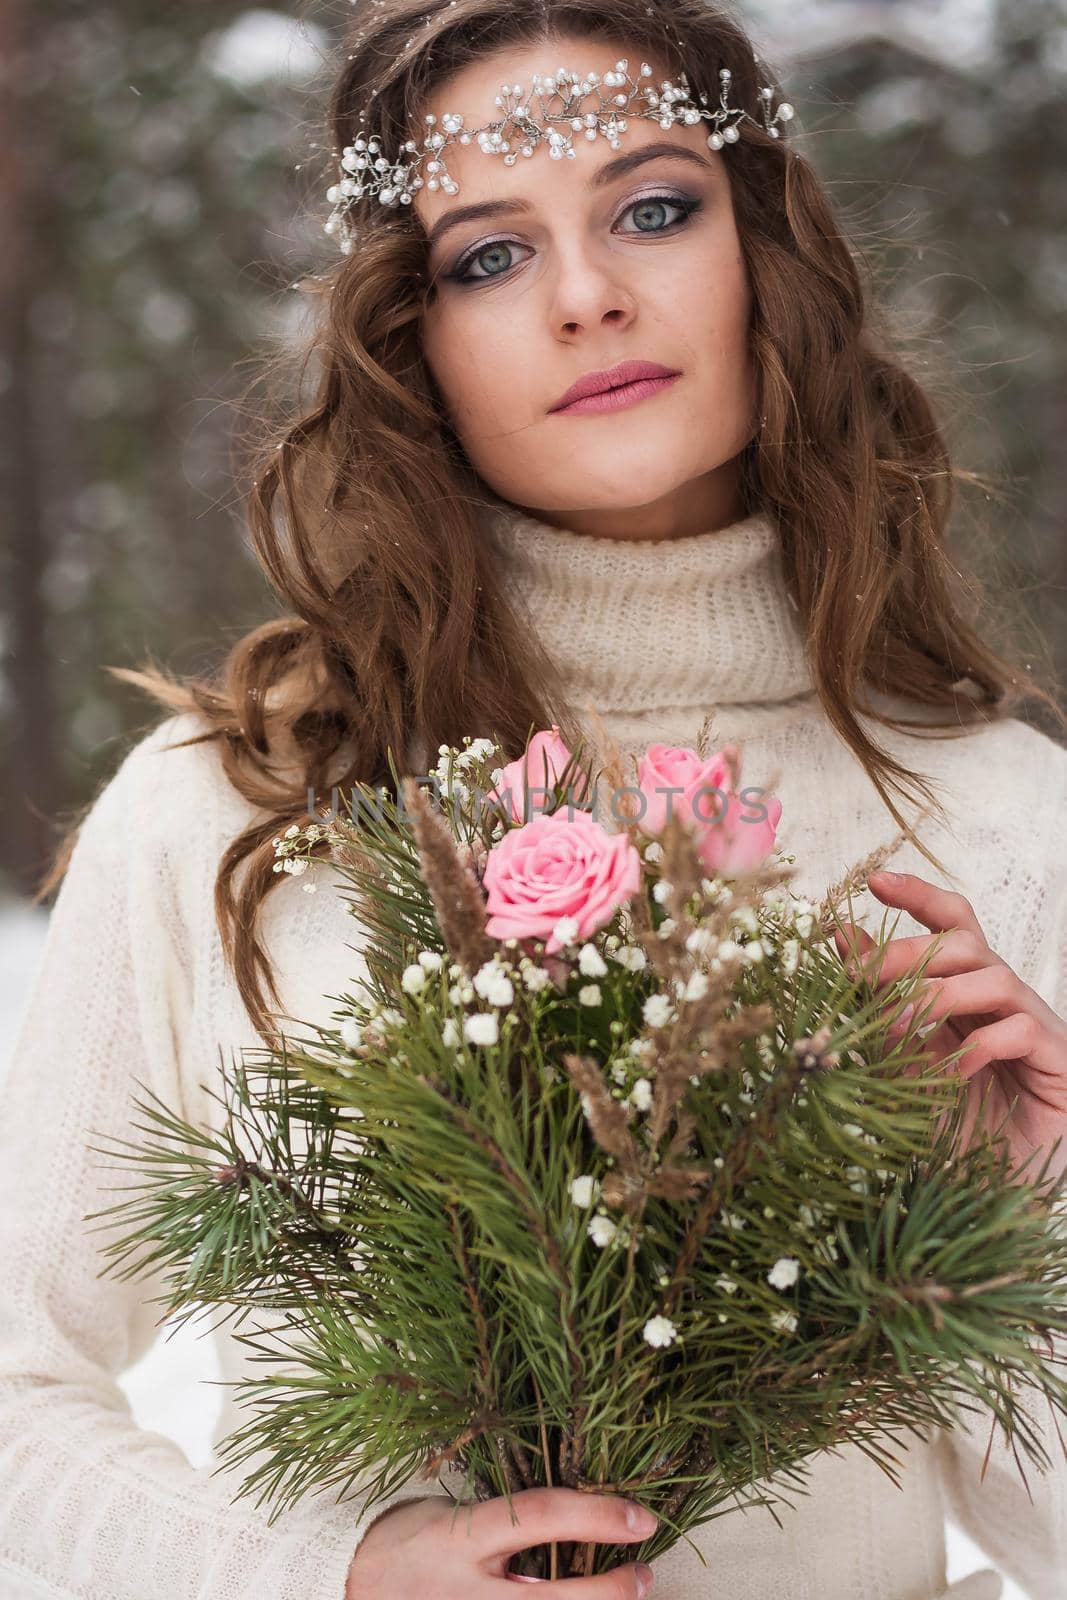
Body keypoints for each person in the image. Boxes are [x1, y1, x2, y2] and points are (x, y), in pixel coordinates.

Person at [2, 2, 1066, 1598]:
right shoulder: (239, 812)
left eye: (653, 209)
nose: (588, 297)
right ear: (404, 333)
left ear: (763, 244)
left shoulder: (997, 816)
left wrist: (1021, 1214)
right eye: (488, 257)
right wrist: (334, 1574)